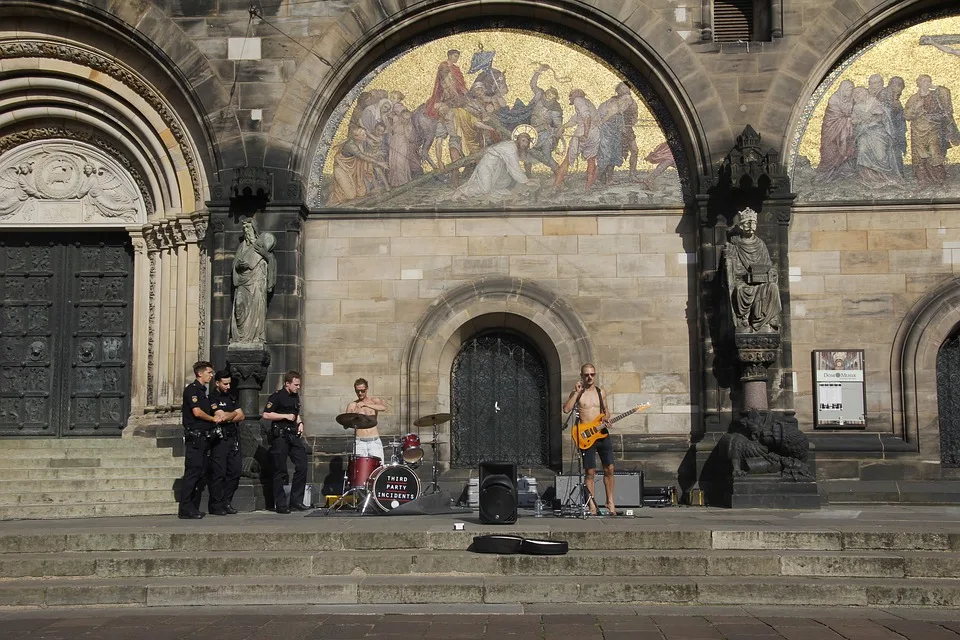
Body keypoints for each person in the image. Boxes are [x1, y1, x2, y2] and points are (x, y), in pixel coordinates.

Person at [562, 363, 616, 516]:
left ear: (595, 375)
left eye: (592, 374)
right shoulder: (579, 393)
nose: (589, 377)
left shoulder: (601, 392)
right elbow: (566, 409)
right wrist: (574, 393)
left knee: (609, 468)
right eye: (586, 375)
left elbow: (606, 412)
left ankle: (610, 501)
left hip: (601, 433)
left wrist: (606, 419)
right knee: (590, 471)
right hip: (586, 436)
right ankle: (591, 504)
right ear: (582, 376)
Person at [723, 208, 781, 333]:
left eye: (753, 223)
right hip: (743, 281)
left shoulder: (760, 244)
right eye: (748, 223)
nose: (751, 225)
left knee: (773, 288)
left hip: (761, 281)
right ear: (742, 225)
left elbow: (768, 265)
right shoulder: (735, 245)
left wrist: (771, 273)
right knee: (739, 290)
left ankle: (764, 321)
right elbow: (732, 269)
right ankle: (744, 319)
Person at [179, 360, 222, 519]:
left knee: (199, 474)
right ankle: (186, 508)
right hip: (195, 439)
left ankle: (192, 507)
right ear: (200, 373)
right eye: (209, 372)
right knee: (193, 473)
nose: (211, 375)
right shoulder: (193, 390)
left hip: (204, 439)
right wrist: (212, 419)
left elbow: (213, 407)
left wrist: (218, 413)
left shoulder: (203, 392)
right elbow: (197, 413)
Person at [263, 370, 309, 514]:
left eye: (299, 384)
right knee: (280, 470)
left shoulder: (295, 397)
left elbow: (296, 413)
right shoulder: (277, 397)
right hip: (281, 436)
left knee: (302, 465)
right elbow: (266, 414)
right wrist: (285, 416)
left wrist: (300, 423)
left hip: (293, 435)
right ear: (287, 383)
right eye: (295, 384)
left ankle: (296, 501)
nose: (298, 387)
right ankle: (281, 504)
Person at [230, 219, 276, 345]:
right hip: (243, 282)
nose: (246, 232)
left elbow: (271, 262)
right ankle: (240, 337)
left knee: (256, 308)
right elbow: (235, 264)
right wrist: (239, 265)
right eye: (244, 230)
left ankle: (254, 337)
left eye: (248, 229)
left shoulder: (261, 245)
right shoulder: (242, 246)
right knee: (239, 307)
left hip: (257, 282)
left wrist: (266, 255)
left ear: (254, 230)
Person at [207, 369, 245, 515]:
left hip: (233, 438)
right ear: (217, 383)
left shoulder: (231, 397)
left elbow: (242, 416)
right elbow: (220, 416)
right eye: (225, 384)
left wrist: (232, 415)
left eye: (229, 383)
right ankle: (216, 504)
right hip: (220, 440)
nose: (228, 386)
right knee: (219, 473)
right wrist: (233, 413)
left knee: (234, 471)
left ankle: (226, 501)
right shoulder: (212, 398)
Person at [345, 378, 388, 463]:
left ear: (367, 389)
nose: (360, 393)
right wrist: (355, 413)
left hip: (374, 441)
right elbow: (345, 425)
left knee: (378, 467)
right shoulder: (352, 405)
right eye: (357, 391)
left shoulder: (374, 401)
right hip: (359, 442)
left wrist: (366, 405)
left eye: (362, 390)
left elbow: (383, 408)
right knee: (360, 469)